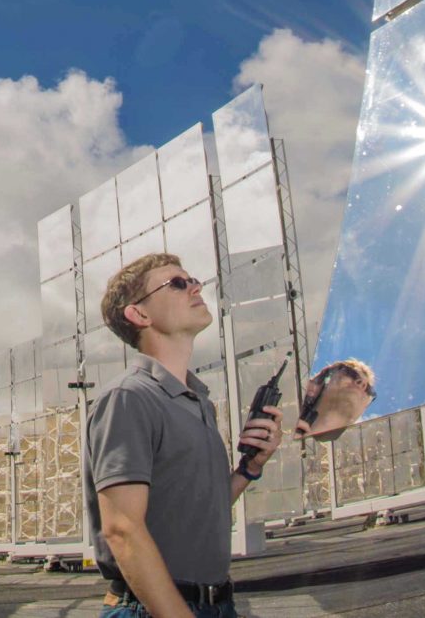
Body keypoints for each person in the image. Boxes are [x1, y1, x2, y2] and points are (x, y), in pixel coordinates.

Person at [81, 253, 285, 618]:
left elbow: (196, 509)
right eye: (176, 283)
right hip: (154, 608)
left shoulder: (198, 401)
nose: (194, 286)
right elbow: (123, 528)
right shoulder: (129, 398)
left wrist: (249, 469)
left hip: (217, 604)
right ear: (139, 314)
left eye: (192, 279)